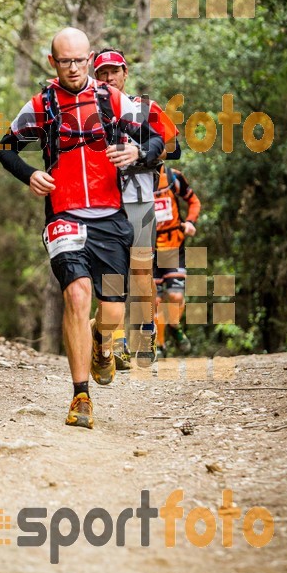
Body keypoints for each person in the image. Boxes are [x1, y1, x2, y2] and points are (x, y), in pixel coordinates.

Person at [0, 27, 168, 430]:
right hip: (64, 214)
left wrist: (137, 151)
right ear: (53, 62)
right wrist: (29, 174)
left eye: (79, 60)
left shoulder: (112, 99)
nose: (73, 68)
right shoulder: (42, 104)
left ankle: (101, 339)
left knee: (111, 313)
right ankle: (80, 397)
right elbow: (5, 147)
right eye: (64, 61)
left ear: (89, 59)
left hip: (111, 215)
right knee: (77, 294)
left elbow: (156, 140)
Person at [93, 49, 180, 370]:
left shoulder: (144, 108)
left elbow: (175, 148)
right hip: (103, 202)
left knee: (142, 269)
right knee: (111, 272)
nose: (108, 78)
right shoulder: (88, 110)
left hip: (140, 199)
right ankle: (114, 345)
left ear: (125, 73)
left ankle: (144, 339)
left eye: (113, 72)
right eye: (101, 73)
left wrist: (141, 153)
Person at [153, 163, 201, 357]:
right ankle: (159, 346)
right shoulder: (134, 181)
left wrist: (190, 222)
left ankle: (173, 325)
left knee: (175, 297)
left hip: (173, 246)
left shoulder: (174, 178)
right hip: (147, 249)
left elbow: (194, 202)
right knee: (153, 302)